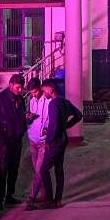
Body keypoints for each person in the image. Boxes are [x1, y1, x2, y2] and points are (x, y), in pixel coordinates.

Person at [0, 73, 27, 210]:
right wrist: (1, 130)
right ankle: (1, 198)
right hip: (4, 140)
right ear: (10, 86)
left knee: (14, 168)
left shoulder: (21, 100)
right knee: (4, 168)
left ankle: (10, 195)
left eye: (21, 88)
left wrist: (23, 128)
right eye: (17, 87)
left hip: (17, 138)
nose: (20, 90)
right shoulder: (0, 99)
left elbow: (22, 116)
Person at [39, 80, 83, 208]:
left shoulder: (53, 104)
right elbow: (78, 115)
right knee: (59, 169)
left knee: (43, 169)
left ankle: (49, 200)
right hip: (63, 140)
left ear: (50, 90)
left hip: (56, 141)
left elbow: (53, 125)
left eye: (44, 91)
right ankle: (58, 200)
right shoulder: (65, 102)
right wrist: (66, 125)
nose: (43, 94)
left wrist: (48, 140)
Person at [24, 78, 53, 209]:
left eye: (35, 92)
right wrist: (29, 118)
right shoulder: (31, 101)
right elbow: (33, 118)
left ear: (40, 88)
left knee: (39, 170)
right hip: (32, 140)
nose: (33, 94)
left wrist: (47, 131)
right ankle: (44, 194)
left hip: (43, 141)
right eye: (31, 93)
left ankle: (31, 198)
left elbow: (51, 120)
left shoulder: (49, 101)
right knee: (37, 170)